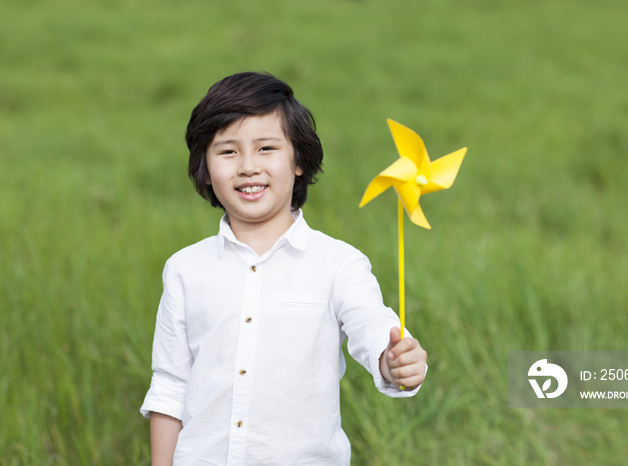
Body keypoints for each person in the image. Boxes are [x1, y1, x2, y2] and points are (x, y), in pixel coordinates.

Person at [140, 71, 428, 466]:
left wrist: (395, 361)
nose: (247, 167)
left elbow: (374, 329)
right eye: (227, 152)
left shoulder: (338, 264)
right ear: (205, 168)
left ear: (298, 161)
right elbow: (171, 385)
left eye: (266, 148)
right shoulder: (185, 270)